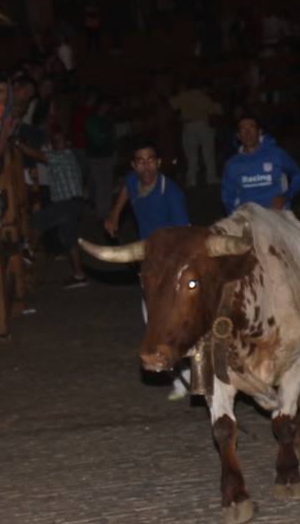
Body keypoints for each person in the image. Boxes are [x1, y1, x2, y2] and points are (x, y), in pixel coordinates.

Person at [104, 138, 192, 400]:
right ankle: (180, 379)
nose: (146, 167)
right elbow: (126, 190)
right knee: (152, 323)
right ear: (134, 165)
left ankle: (191, 375)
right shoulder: (133, 181)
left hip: (170, 268)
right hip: (149, 268)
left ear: (159, 163)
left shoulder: (171, 194)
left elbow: (185, 236)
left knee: (175, 324)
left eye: (151, 160)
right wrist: (114, 215)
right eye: (141, 161)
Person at [24, 126, 90, 288]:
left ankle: (28, 254)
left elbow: (38, 155)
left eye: (59, 141)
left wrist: (18, 144)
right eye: (53, 141)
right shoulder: (67, 157)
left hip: (67, 204)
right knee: (70, 240)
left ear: (67, 142)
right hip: (73, 204)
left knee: (38, 219)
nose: (55, 144)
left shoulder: (63, 156)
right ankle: (79, 275)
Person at [220, 116, 300, 213]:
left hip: (275, 213)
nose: (248, 133)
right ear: (238, 136)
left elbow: (299, 176)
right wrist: (235, 216)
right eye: (243, 129)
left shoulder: (276, 154)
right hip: (248, 215)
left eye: (252, 128)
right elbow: (228, 197)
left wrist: (286, 196)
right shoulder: (232, 164)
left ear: (259, 132)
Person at [168, 78, 222, 188]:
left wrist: (179, 116)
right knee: (208, 153)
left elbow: (170, 104)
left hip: (188, 126)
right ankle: (211, 177)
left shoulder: (183, 96)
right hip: (203, 125)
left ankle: (191, 180)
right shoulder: (205, 97)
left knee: (191, 154)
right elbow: (216, 112)